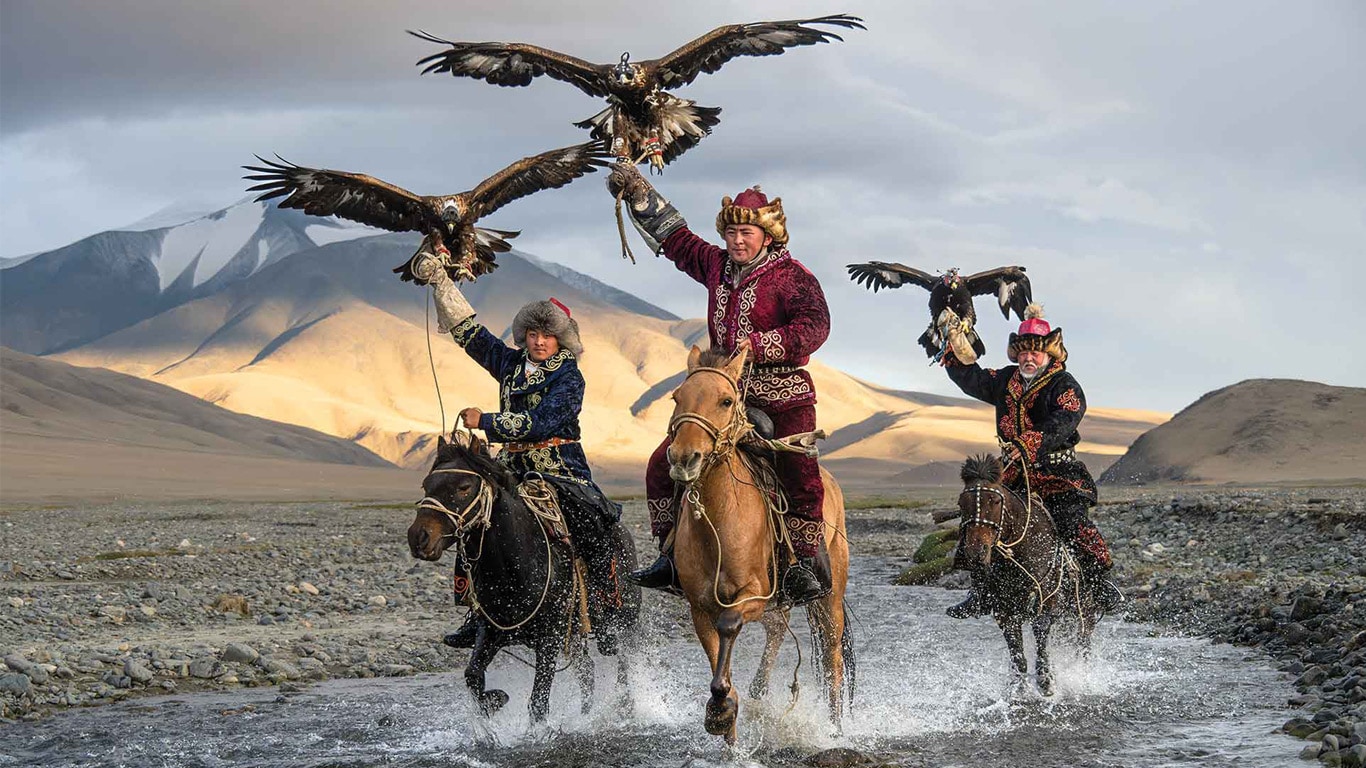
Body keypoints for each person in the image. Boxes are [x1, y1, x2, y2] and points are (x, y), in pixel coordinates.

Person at [607, 162, 832, 605]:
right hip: (721, 392)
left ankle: (804, 562)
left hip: (783, 391)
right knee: (661, 463)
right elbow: (677, 240)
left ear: (768, 236)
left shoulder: (793, 277)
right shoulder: (716, 265)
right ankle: (670, 555)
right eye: (731, 234)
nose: (737, 241)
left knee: (801, 472)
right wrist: (638, 190)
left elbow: (816, 326)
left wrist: (761, 343)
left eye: (747, 234)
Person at [403, 239, 626, 650]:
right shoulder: (510, 363)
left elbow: (542, 422)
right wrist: (440, 284)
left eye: (549, 335)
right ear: (524, 335)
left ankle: (607, 606)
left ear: (562, 340)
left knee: (593, 526)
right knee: (473, 521)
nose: (540, 341)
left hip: (562, 470)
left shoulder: (569, 378)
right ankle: (477, 612)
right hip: (510, 469)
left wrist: (486, 421)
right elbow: (470, 333)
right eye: (534, 333)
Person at [941, 305, 1123, 616]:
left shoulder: (1064, 385)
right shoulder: (1005, 379)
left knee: (1071, 523)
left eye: (1035, 353)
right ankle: (982, 592)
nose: (1028, 358)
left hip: (1059, 473)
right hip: (1013, 474)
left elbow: (1066, 418)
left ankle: (1098, 582)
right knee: (981, 517)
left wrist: (1028, 444)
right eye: (1023, 352)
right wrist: (955, 345)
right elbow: (972, 379)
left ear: (1050, 354)